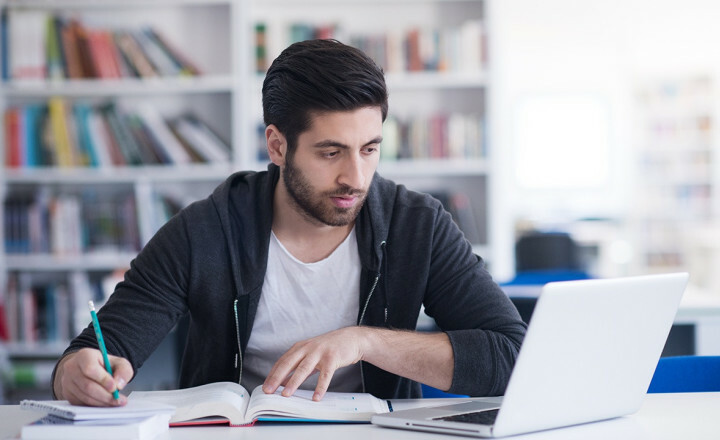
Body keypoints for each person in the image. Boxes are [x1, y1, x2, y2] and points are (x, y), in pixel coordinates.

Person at [52, 39, 526, 407]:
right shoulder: (203, 232)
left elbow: (510, 356)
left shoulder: (417, 226)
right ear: (277, 146)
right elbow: (92, 351)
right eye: (330, 152)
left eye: (369, 149)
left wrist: (363, 342)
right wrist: (78, 373)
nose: (355, 178)